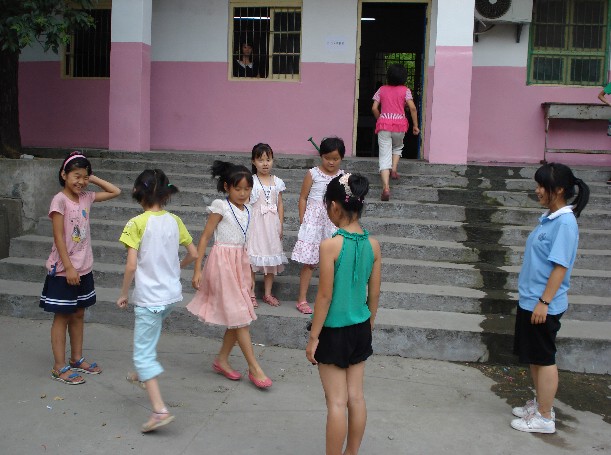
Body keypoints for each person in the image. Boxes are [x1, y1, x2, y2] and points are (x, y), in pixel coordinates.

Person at [116, 169, 198, 433]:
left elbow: (131, 266)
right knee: (148, 340)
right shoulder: (175, 220)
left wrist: (123, 293)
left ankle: (159, 410)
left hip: (149, 299)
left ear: (138, 192)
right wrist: (175, 268)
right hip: (170, 296)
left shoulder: (135, 223)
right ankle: (142, 374)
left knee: (143, 353)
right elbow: (194, 253)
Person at [510, 163, 589, 434]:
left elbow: (560, 267)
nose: (538, 190)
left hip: (543, 304)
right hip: (531, 300)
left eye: (543, 186)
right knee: (536, 357)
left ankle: (544, 417)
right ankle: (541, 404)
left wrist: (544, 302)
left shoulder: (565, 223)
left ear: (560, 190)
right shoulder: (550, 218)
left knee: (544, 359)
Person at [306, 173, 381, 455]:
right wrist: (369, 325)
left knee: (336, 402)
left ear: (335, 207)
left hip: (334, 331)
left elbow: (324, 296)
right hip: (361, 327)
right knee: (356, 397)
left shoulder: (330, 246)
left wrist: (314, 337)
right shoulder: (373, 245)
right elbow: (374, 294)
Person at [187, 161, 272, 389]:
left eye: (247, 189)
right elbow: (205, 237)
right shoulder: (221, 206)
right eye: (238, 188)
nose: (243, 193)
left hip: (240, 264)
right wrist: (197, 269)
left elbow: (247, 243)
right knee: (240, 317)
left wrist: (250, 273)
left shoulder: (249, 210)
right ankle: (254, 367)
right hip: (222, 264)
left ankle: (222, 360)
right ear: (227, 187)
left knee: (239, 315)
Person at [40, 151, 121, 384]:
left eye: (85, 177)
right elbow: (58, 236)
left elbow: (115, 191)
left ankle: (76, 359)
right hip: (64, 270)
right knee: (62, 316)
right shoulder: (59, 200)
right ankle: (59, 366)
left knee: (78, 313)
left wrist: (91, 177)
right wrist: (69, 267)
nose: (81, 182)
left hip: (84, 268)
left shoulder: (86, 197)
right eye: (76, 176)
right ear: (63, 175)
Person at [291, 137, 345, 314]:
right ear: (321, 156)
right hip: (313, 222)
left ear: (342, 158)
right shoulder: (313, 174)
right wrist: (303, 219)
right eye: (327, 158)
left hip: (332, 222)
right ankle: (302, 299)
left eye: (335, 158)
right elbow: (303, 197)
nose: (331, 162)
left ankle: (333, 299)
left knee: (333, 262)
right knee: (310, 262)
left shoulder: (343, 177)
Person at [371, 63, 420, 201]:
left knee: (384, 156)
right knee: (398, 147)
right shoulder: (406, 90)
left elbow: (374, 108)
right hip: (400, 125)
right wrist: (415, 126)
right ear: (404, 77)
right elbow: (413, 108)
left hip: (384, 125)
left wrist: (380, 119)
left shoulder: (381, 89)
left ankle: (386, 187)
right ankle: (394, 169)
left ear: (388, 76)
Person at [248, 143, 288, 307]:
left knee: (271, 258)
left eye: (268, 159)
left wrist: (280, 225)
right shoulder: (251, 181)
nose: (265, 163)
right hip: (256, 224)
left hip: (272, 224)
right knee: (251, 258)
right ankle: (250, 294)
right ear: (253, 161)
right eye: (260, 160)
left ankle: (267, 293)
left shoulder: (277, 182)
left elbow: (280, 204)